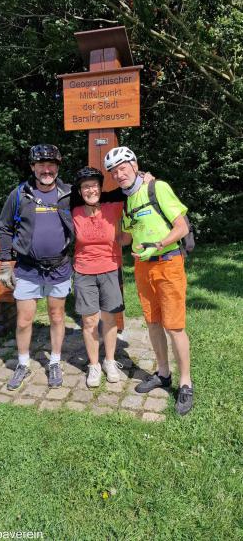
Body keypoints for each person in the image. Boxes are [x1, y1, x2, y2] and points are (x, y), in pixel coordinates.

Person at [104, 146, 193, 415]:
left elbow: (182, 227)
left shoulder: (158, 188)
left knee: (174, 326)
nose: (119, 175)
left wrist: (159, 244)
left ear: (134, 164)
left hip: (168, 263)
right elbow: (128, 237)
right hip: (143, 268)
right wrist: (97, 231)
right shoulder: (129, 200)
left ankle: (186, 383)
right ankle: (163, 374)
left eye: (122, 168)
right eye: (114, 172)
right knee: (153, 322)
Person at [0, 144, 73, 391]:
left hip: (59, 267)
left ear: (58, 167)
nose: (46, 169)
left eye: (51, 164)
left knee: (56, 316)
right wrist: (5, 264)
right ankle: (22, 363)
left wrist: (139, 179)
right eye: (41, 165)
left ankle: (54, 361)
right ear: (33, 167)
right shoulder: (20, 193)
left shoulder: (69, 193)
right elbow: (5, 227)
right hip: (28, 269)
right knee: (23, 321)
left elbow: (98, 197)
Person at [72, 166, 124, 388]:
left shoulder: (114, 206)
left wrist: (146, 177)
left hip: (110, 268)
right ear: (80, 191)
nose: (90, 190)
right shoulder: (73, 210)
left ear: (101, 188)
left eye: (94, 185)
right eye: (85, 187)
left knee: (110, 318)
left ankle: (110, 361)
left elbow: (134, 188)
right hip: (84, 270)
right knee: (89, 320)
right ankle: (93, 365)